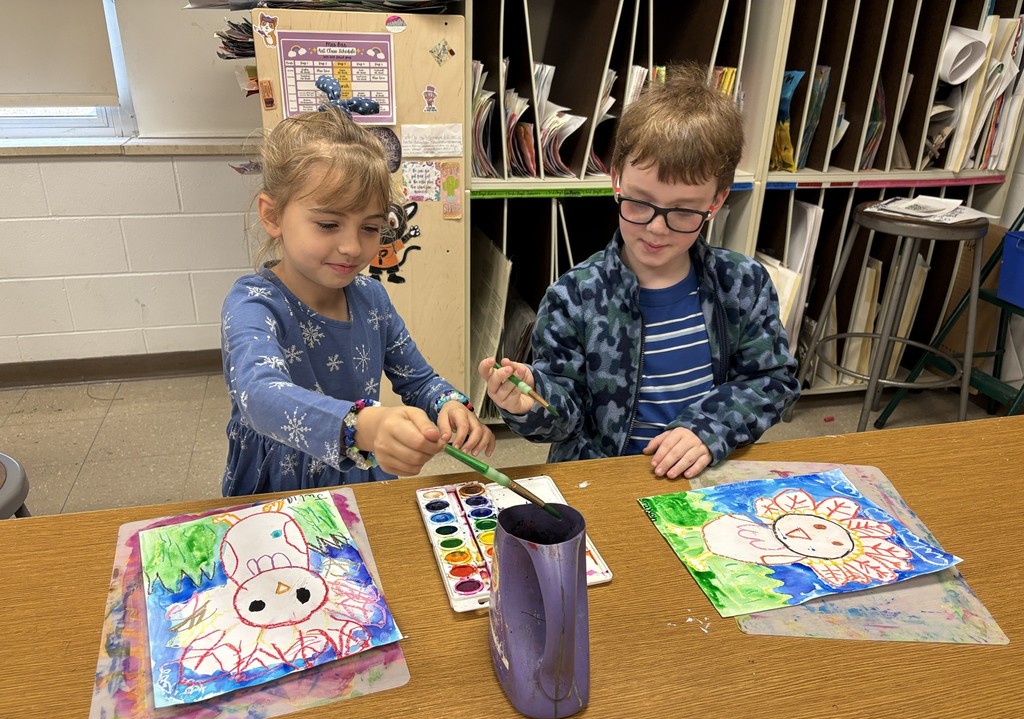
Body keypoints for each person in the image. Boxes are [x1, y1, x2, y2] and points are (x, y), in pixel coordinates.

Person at [479, 61, 799, 480]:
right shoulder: (574, 296)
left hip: (706, 475)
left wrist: (709, 428)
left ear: (716, 202)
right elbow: (565, 416)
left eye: (684, 211)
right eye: (639, 202)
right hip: (604, 481)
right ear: (615, 180)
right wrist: (529, 399)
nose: (656, 227)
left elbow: (773, 381)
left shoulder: (742, 284)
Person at [221, 105, 494, 496]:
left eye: (370, 227)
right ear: (273, 215)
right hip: (277, 487)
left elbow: (418, 379)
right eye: (329, 224)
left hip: (358, 476)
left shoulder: (371, 297)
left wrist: (448, 405)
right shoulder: (253, 303)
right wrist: (364, 426)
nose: (351, 247)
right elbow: (259, 396)